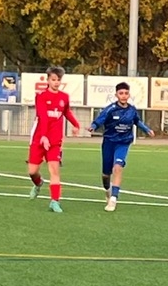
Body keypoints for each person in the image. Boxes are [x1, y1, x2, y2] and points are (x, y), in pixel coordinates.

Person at [89, 82, 155, 212]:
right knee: (106, 174)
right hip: (109, 142)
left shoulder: (132, 110)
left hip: (123, 143)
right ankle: (107, 191)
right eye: (121, 93)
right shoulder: (110, 109)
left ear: (129, 95)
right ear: (116, 95)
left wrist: (147, 129)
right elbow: (100, 120)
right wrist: (93, 126)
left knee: (118, 167)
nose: (124, 96)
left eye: (126, 93)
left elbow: (137, 121)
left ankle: (114, 198)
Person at [28, 66, 80, 213]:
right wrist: (44, 136)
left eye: (58, 80)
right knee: (32, 171)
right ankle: (38, 183)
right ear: (48, 80)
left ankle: (55, 201)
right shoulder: (41, 96)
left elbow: (67, 112)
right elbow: (43, 116)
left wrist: (76, 124)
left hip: (55, 140)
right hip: (39, 138)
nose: (56, 82)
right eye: (53, 79)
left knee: (54, 171)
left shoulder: (64, 97)